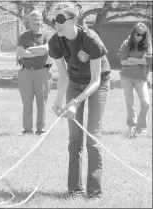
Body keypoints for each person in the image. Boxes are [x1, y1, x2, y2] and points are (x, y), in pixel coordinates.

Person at [48, 2, 111, 199]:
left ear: (73, 19)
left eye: (60, 19)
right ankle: (74, 189)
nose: (56, 24)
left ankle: (94, 192)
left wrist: (75, 102)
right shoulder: (55, 42)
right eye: (54, 20)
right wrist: (59, 101)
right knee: (75, 138)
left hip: (97, 83)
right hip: (74, 81)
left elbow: (96, 80)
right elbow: (63, 76)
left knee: (92, 136)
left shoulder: (91, 39)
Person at [16, 10, 53, 136]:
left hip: (43, 71)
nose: (36, 22)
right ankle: (27, 130)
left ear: (41, 21)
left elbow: (46, 49)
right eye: (33, 20)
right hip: (26, 72)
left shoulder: (48, 34)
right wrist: (37, 51)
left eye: (38, 20)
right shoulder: (24, 35)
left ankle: (40, 129)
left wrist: (29, 50)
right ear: (30, 22)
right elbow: (20, 53)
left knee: (42, 102)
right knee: (27, 101)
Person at [118, 22, 152, 138]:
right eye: (137, 34)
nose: (139, 37)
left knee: (146, 103)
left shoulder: (147, 45)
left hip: (141, 78)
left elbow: (147, 61)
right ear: (133, 33)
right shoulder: (126, 43)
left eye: (142, 35)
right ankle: (132, 127)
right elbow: (123, 61)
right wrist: (139, 59)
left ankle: (141, 127)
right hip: (126, 77)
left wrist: (131, 58)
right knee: (130, 104)